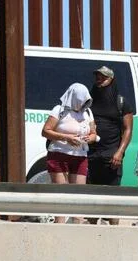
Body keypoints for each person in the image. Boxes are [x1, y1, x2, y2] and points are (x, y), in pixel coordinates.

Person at [42, 83, 96, 224]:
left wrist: (89, 138)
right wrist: (67, 138)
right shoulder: (59, 110)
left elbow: (93, 133)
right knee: (61, 194)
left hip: (80, 156)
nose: (84, 103)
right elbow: (46, 131)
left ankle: (77, 227)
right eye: (81, 100)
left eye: (86, 100)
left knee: (79, 194)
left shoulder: (88, 113)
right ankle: (59, 225)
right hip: (59, 154)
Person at [87, 66, 133, 225]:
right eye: (97, 76)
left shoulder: (121, 102)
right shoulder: (89, 100)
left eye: (103, 77)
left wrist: (120, 152)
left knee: (113, 198)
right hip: (91, 156)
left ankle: (114, 232)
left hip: (112, 157)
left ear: (111, 79)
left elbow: (128, 129)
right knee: (91, 199)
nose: (99, 79)